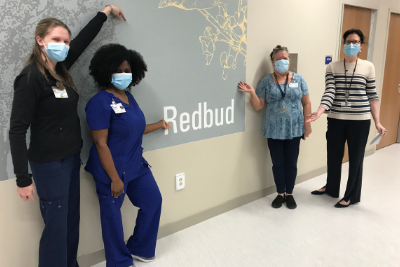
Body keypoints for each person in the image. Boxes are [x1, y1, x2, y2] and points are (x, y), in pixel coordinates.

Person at [9, 5, 126, 267]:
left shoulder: (60, 70)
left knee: (71, 220)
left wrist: (105, 12)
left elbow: (83, 40)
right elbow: (17, 130)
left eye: (65, 41)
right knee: (56, 227)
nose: (63, 45)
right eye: (56, 40)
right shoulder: (30, 79)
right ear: (40, 41)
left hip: (71, 158)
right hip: (49, 165)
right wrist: (22, 178)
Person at [85, 43, 170, 267]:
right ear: (106, 71)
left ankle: (139, 248)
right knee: (112, 218)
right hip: (111, 170)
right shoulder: (99, 102)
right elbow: (100, 143)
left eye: (127, 71)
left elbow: (134, 128)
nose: (124, 75)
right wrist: (114, 178)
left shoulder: (129, 98)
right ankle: (119, 262)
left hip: (135, 165)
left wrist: (158, 125)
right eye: (118, 70)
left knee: (153, 202)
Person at [307, 29, 387, 208]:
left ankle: (351, 195)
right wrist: (320, 110)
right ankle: (331, 188)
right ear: (343, 44)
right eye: (348, 41)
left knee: (356, 158)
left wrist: (378, 122)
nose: (351, 45)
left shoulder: (368, 66)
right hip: (336, 118)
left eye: (355, 42)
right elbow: (330, 91)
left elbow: (372, 96)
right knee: (333, 155)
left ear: (361, 45)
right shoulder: (332, 67)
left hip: (360, 120)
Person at [238, 45, 312, 209]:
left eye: (285, 58)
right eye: (278, 59)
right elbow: (259, 106)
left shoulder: (299, 79)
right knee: (277, 163)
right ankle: (280, 193)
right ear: (273, 63)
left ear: (289, 60)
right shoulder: (266, 81)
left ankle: (290, 193)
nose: (282, 61)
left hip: (295, 128)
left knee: (291, 162)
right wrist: (252, 93)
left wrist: (307, 125)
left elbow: (306, 103)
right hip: (274, 130)